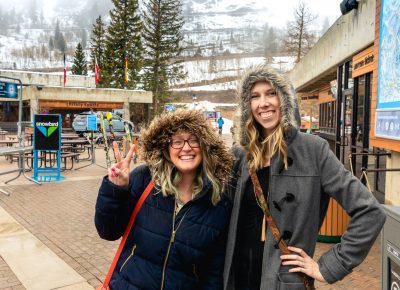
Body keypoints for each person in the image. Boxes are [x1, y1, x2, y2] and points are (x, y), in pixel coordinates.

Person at [223, 65, 386, 290]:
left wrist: (329, 266)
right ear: (247, 106)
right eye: (255, 97)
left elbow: (370, 211)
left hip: (284, 282)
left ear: (285, 99)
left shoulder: (314, 150)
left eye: (272, 93)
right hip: (236, 277)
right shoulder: (239, 155)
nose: (264, 103)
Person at [95, 109, 233, 289]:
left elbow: (213, 273)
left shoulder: (218, 201)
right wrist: (116, 189)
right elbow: (107, 231)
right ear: (166, 148)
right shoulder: (144, 179)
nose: (186, 147)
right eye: (177, 141)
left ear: (205, 146)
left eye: (193, 140)